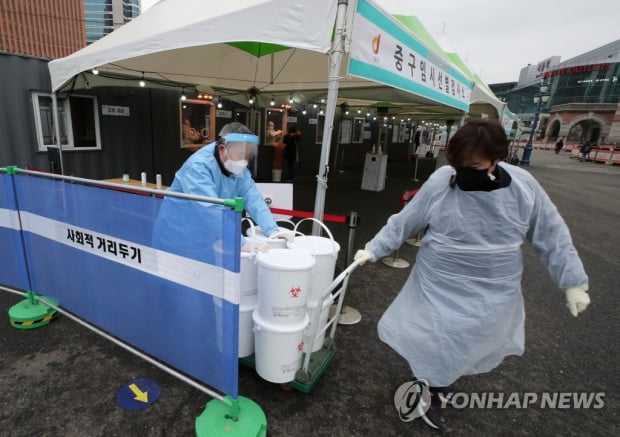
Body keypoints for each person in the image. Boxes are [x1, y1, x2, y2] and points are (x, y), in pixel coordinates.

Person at [354, 119, 590, 430]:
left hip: (494, 281)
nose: (464, 170)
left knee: (470, 336)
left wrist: (572, 281)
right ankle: (429, 391)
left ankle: (441, 380)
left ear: (497, 158)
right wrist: (376, 247)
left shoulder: (523, 186)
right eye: (460, 164)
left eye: (474, 165)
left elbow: (551, 233)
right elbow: (408, 218)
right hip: (439, 276)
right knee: (435, 336)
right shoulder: (444, 180)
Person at [154, 122, 293, 260]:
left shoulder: (236, 166)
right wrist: (239, 242)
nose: (243, 162)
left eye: (247, 156)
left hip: (206, 236)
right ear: (222, 149)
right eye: (240, 156)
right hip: (177, 237)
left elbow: (253, 198)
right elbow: (210, 209)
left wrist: (272, 230)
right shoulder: (197, 167)